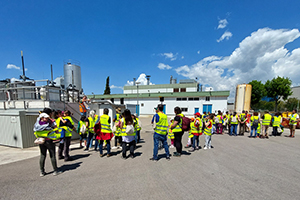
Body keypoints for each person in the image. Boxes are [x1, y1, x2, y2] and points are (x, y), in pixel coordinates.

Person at [33, 109, 62, 177]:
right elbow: (56, 130)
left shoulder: (38, 121)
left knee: (43, 155)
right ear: (49, 114)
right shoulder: (51, 121)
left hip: (41, 140)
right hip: (49, 140)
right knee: (52, 155)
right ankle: (55, 171)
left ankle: (42, 171)